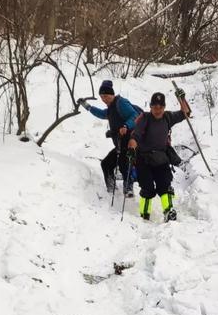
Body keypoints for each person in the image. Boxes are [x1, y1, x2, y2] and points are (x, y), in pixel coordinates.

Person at [128, 90, 191, 222]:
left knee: (165, 185)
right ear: (150, 106)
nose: (158, 110)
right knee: (147, 188)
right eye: (155, 107)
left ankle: (168, 211)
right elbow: (135, 136)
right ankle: (144, 215)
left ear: (164, 107)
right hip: (144, 159)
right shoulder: (144, 118)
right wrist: (132, 148)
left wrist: (181, 99)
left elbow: (186, 112)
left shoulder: (168, 117)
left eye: (160, 107)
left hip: (161, 158)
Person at [79, 80, 142, 195]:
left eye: (106, 96)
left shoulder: (120, 103)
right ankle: (112, 191)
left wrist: (126, 126)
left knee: (124, 165)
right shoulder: (111, 107)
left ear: (112, 94)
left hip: (129, 142)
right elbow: (103, 114)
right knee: (106, 164)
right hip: (120, 144)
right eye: (102, 97)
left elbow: (135, 115)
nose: (104, 99)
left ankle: (128, 190)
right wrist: (87, 106)